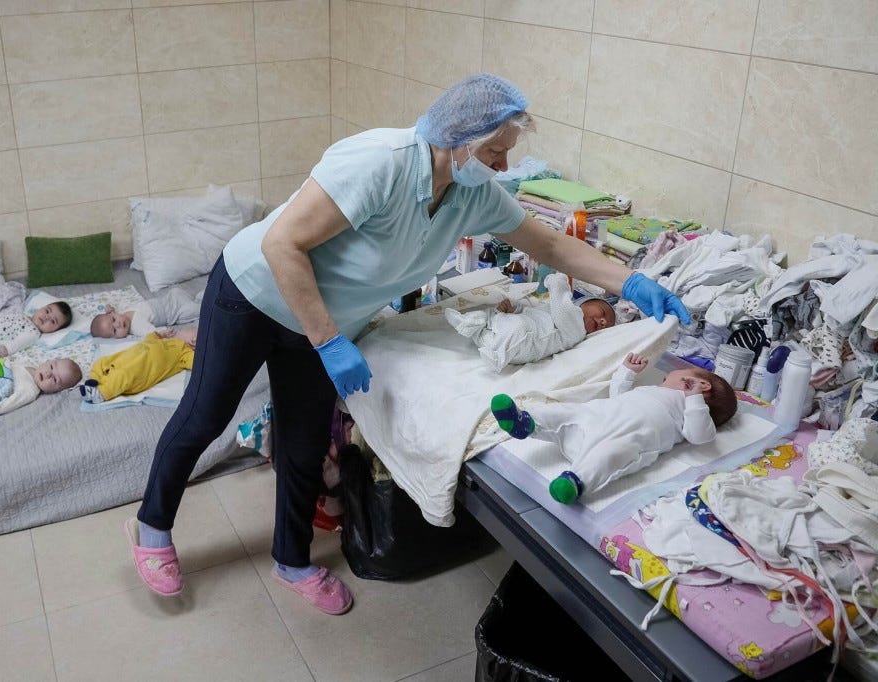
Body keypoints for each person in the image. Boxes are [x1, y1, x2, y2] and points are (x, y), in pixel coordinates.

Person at [125, 73, 690, 612]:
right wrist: (328, 342)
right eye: (496, 153)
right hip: (256, 292)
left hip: (323, 322)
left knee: (301, 443)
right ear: (459, 140)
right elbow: (281, 244)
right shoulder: (379, 162)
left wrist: (633, 281)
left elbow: (551, 246)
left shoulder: (473, 194)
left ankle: (291, 561)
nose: (505, 165)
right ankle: (152, 528)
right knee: (206, 414)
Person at [491, 352, 736, 505]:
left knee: (611, 455)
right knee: (568, 411)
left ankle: (576, 481)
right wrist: (626, 373)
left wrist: (694, 400)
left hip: (624, 439)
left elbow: (700, 437)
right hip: (596, 415)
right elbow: (619, 395)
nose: (663, 380)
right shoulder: (655, 390)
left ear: (701, 384)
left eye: (669, 377)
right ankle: (525, 421)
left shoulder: (690, 411)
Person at [445, 272, 616, 371]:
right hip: (517, 330)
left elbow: (562, 308)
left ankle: (496, 355)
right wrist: (514, 309)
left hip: (527, 344)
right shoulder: (555, 308)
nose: (602, 321)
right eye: (603, 313)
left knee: (518, 327)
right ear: (585, 303)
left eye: (605, 325)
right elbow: (533, 311)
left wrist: (558, 281)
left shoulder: (577, 329)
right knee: (493, 316)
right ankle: (470, 324)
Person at [78, 327, 197, 403]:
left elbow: (196, 362)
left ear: (193, 341)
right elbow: (149, 338)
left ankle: (101, 393)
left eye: (186, 330)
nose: (179, 330)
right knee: (101, 362)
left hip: (139, 373)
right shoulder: (164, 340)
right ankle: (94, 380)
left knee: (122, 376)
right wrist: (160, 335)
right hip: (125, 359)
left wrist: (202, 351)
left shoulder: (184, 352)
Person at [90, 287, 201, 339]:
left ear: (113, 313)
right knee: (198, 308)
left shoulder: (122, 312)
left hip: (172, 303)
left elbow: (111, 309)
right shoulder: (137, 327)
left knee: (196, 305)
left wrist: (108, 308)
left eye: (113, 320)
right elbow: (153, 333)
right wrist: (163, 333)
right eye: (114, 330)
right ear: (114, 338)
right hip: (175, 308)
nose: (118, 324)